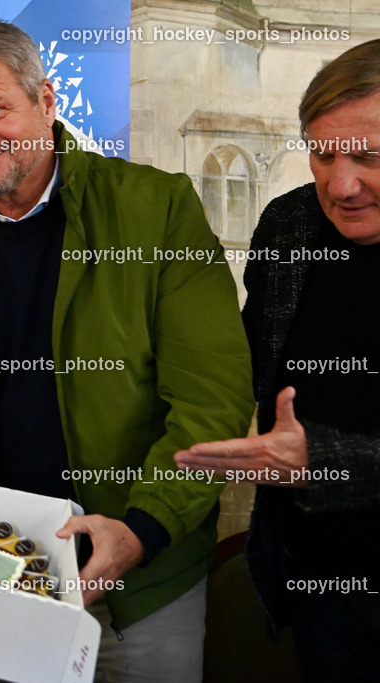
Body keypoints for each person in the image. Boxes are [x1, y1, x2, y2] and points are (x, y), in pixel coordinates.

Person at [0, 20, 254, 681]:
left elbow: (212, 399)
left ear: (48, 103)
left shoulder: (156, 209)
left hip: (145, 573)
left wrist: (143, 527)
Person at [175, 39, 380, 682]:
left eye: (371, 156)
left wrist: (325, 460)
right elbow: (246, 362)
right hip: (319, 583)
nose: (340, 185)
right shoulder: (288, 225)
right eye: (323, 154)